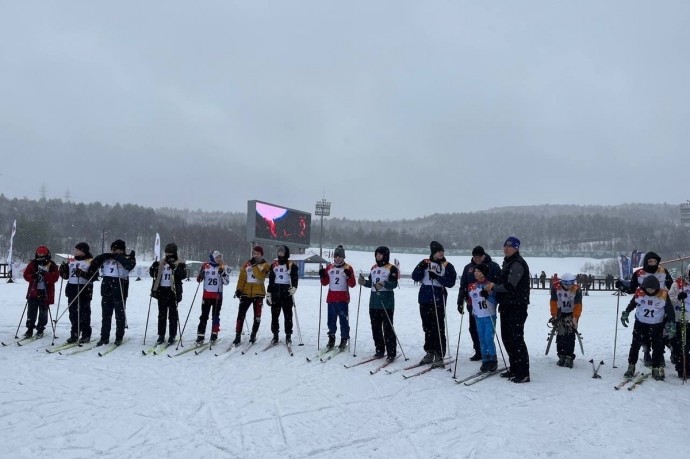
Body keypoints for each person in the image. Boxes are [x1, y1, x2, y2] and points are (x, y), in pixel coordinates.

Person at [484, 236, 531, 383]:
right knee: (507, 338)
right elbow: (503, 282)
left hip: (517, 306)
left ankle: (523, 372)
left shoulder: (517, 263)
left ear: (516, 248)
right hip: (507, 306)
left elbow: (511, 286)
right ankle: (514, 367)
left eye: (509, 246)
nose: (506, 248)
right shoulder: (508, 262)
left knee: (516, 340)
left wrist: (493, 287)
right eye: (505, 246)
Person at [616, 252, 674, 366]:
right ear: (646, 262)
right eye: (650, 261)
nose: (652, 264)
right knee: (644, 334)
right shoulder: (639, 273)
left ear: (658, 262)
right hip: (644, 304)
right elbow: (632, 289)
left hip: (660, 304)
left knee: (660, 334)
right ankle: (647, 352)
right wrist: (622, 286)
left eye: (655, 262)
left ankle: (659, 355)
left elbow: (671, 287)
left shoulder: (663, 271)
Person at [621, 276, 675, 381]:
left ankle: (655, 368)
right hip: (640, 323)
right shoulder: (640, 293)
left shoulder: (663, 295)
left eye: (653, 288)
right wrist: (626, 312)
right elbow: (632, 304)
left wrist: (671, 323)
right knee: (635, 345)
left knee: (657, 347)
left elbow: (669, 310)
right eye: (648, 288)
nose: (650, 290)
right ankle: (631, 366)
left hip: (656, 324)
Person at [412, 241, 457, 367]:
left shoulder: (447, 265)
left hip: (438, 298)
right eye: (438, 251)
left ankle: (439, 353)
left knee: (438, 326)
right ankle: (429, 351)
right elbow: (415, 276)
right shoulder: (425, 263)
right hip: (425, 298)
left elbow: (451, 282)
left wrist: (437, 277)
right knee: (427, 327)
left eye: (442, 251)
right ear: (433, 252)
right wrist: (421, 267)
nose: (441, 253)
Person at [86, 239, 136, 346]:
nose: (113, 252)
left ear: (122, 250)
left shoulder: (128, 257)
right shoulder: (107, 258)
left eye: (116, 250)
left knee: (120, 315)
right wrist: (102, 256)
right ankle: (104, 337)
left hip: (120, 289)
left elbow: (129, 266)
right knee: (106, 315)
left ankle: (119, 336)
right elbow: (93, 264)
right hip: (106, 289)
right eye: (112, 249)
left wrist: (119, 257)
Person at [458, 246, 501, 361]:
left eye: (479, 257)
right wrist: (461, 299)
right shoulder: (469, 268)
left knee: (488, 334)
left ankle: (491, 355)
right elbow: (463, 285)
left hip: (488, 303)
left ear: (483, 255)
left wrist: (493, 293)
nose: (476, 259)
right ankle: (479, 352)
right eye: (474, 257)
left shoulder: (493, 266)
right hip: (474, 303)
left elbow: (499, 283)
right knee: (474, 329)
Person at [357, 246, 399, 362]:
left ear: (385, 255)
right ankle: (379, 349)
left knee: (388, 328)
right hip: (374, 302)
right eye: (377, 254)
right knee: (375, 328)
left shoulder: (391, 268)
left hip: (386, 302)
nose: (378, 256)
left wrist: (384, 283)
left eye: (380, 254)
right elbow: (371, 283)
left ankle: (391, 352)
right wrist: (364, 282)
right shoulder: (373, 268)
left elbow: (394, 284)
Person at [319, 245, 356, 350]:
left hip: (343, 299)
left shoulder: (348, 268)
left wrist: (349, 276)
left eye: (340, 256)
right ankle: (331, 338)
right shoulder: (329, 267)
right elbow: (325, 283)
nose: (338, 258)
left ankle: (344, 339)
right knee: (331, 320)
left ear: (343, 257)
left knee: (343, 320)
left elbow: (352, 284)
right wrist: (322, 275)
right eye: (336, 256)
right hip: (331, 299)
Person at [58, 242, 96, 344]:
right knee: (73, 313)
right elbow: (66, 276)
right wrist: (62, 270)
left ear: (83, 251)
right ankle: (74, 334)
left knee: (84, 313)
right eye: (75, 250)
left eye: (78, 250)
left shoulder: (90, 261)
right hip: (72, 289)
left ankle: (86, 334)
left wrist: (83, 273)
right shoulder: (72, 261)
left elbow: (94, 276)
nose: (75, 252)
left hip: (84, 289)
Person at [149, 243, 186, 345]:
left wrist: (174, 267)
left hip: (173, 291)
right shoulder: (162, 261)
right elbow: (153, 274)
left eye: (170, 253)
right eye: (167, 253)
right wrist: (154, 267)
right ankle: (161, 335)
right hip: (161, 290)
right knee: (161, 314)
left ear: (174, 253)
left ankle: (172, 335)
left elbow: (183, 275)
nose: (168, 255)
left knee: (173, 315)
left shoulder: (180, 262)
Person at [233, 245, 270, 346]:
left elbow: (260, 276)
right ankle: (237, 335)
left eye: (258, 254)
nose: (255, 255)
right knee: (240, 315)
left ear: (261, 255)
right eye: (254, 253)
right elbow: (242, 278)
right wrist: (238, 289)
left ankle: (253, 334)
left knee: (257, 316)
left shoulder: (265, 265)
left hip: (258, 294)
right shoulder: (246, 264)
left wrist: (254, 265)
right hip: (246, 293)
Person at [466, 263, 498, 372]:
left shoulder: (490, 285)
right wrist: (464, 298)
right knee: (482, 339)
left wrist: (488, 295)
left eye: (478, 271)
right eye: (475, 271)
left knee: (489, 338)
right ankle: (485, 360)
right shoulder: (472, 286)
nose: (476, 273)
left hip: (489, 316)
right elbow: (471, 301)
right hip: (478, 316)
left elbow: (495, 301)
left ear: (484, 273)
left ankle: (493, 359)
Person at [22, 246, 60, 338]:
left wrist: (46, 275)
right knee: (31, 311)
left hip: (46, 291)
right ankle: (30, 329)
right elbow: (26, 275)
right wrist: (33, 276)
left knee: (43, 311)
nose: (41, 255)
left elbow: (55, 277)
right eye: (39, 253)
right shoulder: (33, 263)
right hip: (34, 291)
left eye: (43, 253)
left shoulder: (51, 264)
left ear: (47, 254)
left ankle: (40, 329)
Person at [549, 272, 583, 368]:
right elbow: (553, 302)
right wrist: (554, 315)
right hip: (560, 312)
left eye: (571, 283)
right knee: (560, 334)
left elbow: (578, 305)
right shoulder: (555, 288)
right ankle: (561, 355)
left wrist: (575, 318)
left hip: (571, 313)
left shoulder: (577, 289)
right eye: (566, 284)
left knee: (570, 334)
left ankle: (569, 356)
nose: (568, 286)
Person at [267, 245, 299, 344]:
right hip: (276, 292)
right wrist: (269, 293)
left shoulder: (291, 265)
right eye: (279, 252)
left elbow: (294, 278)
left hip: (286, 293)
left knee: (288, 315)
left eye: (282, 252)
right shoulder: (273, 265)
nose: (280, 253)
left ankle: (288, 335)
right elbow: (271, 281)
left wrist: (294, 287)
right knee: (274, 315)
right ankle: (275, 335)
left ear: (286, 253)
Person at [196, 251, 229, 344]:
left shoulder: (223, 266)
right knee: (204, 316)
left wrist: (222, 274)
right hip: (207, 296)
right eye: (217, 257)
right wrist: (201, 275)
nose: (219, 259)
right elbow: (199, 280)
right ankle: (200, 335)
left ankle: (214, 334)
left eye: (220, 257)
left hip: (217, 296)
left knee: (215, 316)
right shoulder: (205, 266)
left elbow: (226, 282)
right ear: (212, 258)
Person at [668, 267, 690, 378]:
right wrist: (678, 297)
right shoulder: (678, 284)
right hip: (680, 318)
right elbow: (669, 298)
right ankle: (682, 368)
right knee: (682, 346)